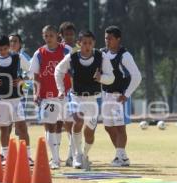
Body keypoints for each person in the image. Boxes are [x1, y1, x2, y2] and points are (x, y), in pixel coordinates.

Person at [55, 30, 115, 170]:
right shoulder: (72, 57)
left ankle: (85, 154)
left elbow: (111, 77)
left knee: (89, 133)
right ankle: (77, 155)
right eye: (84, 43)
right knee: (78, 120)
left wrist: (102, 78)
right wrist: (61, 89)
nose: (87, 46)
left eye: (90, 43)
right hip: (76, 96)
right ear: (79, 44)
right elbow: (58, 70)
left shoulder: (101, 57)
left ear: (94, 43)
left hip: (94, 99)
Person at [29, 25, 72, 169]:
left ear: (57, 36)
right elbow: (35, 75)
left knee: (69, 124)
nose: (48, 38)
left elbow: (75, 70)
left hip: (65, 94)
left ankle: (73, 156)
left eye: (51, 35)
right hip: (47, 96)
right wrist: (36, 92)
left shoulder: (66, 50)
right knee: (49, 126)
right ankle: (55, 159)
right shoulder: (39, 53)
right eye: (46, 36)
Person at [100, 26, 142, 167]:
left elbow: (137, 77)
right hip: (106, 96)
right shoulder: (102, 53)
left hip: (119, 97)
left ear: (118, 39)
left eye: (110, 38)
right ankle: (121, 155)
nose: (107, 41)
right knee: (108, 127)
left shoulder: (125, 55)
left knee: (120, 127)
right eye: (106, 38)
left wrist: (126, 95)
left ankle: (121, 157)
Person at [0, 35, 33, 166]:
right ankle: (6, 156)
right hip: (1, 99)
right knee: (4, 129)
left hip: (16, 99)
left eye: (5, 48)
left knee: (22, 128)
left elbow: (32, 71)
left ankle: (27, 157)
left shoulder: (17, 57)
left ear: (9, 47)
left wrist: (22, 79)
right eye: (0, 49)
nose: (3, 52)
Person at [58, 21, 77, 167]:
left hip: (71, 91)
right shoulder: (59, 49)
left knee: (70, 123)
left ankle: (72, 155)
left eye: (71, 34)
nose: (69, 37)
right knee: (59, 124)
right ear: (61, 36)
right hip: (58, 92)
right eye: (67, 34)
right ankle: (56, 156)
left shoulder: (76, 50)